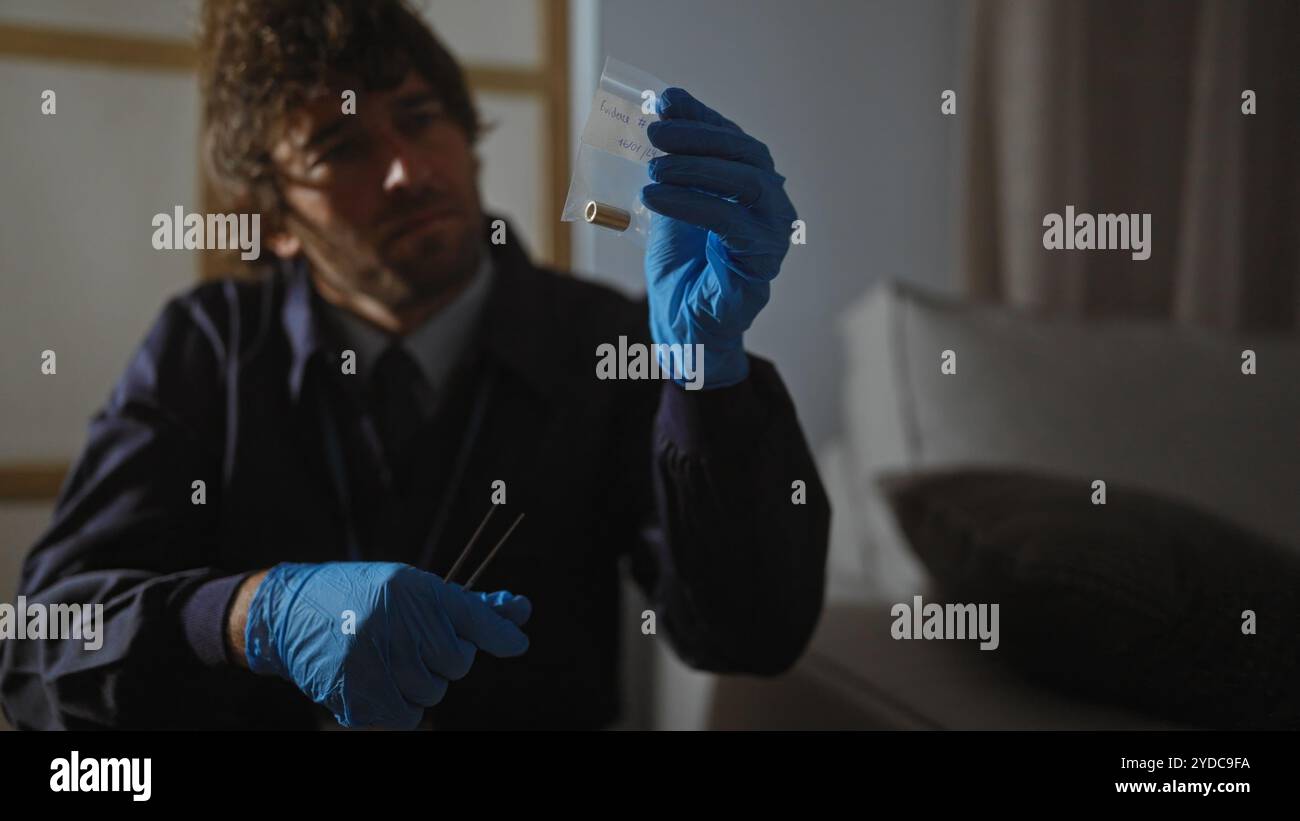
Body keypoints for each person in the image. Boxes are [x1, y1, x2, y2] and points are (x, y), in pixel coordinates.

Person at [0, 0, 829, 730]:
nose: (407, 171)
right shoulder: (207, 349)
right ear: (274, 218)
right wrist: (251, 615)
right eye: (339, 147)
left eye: (421, 116)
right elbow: (39, 648)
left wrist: (707, 372)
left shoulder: (601, 342)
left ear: (468, 138)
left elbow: (754, 636)